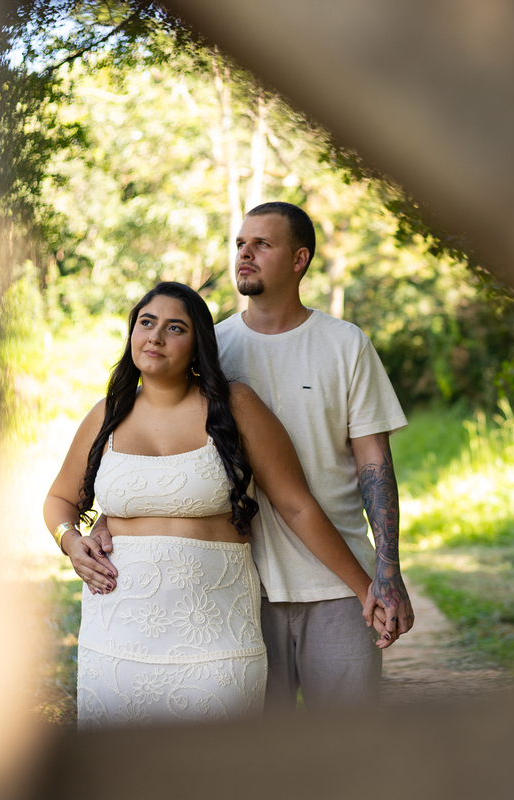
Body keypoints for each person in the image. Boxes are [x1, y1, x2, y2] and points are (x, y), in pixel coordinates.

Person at [96, 202, 415, 711]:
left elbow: (375, 465)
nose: (244, 253)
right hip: (238, 588)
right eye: (241, 243)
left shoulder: (344, 344)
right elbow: (160, 439)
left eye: (262, 244)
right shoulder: (210, 347)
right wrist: (109, 519)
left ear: (299, 259)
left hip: (336, 584)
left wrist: (387, 572)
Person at [44, 281, 388, 728]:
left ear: (198, 345)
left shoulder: (234, 407)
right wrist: (69, 540)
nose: (156, 337)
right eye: (146, 323)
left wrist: (368, 590)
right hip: (116, 637)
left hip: (215, 636)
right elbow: (58, 499)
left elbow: (296, 505)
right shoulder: (106, 414)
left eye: (175, 328)